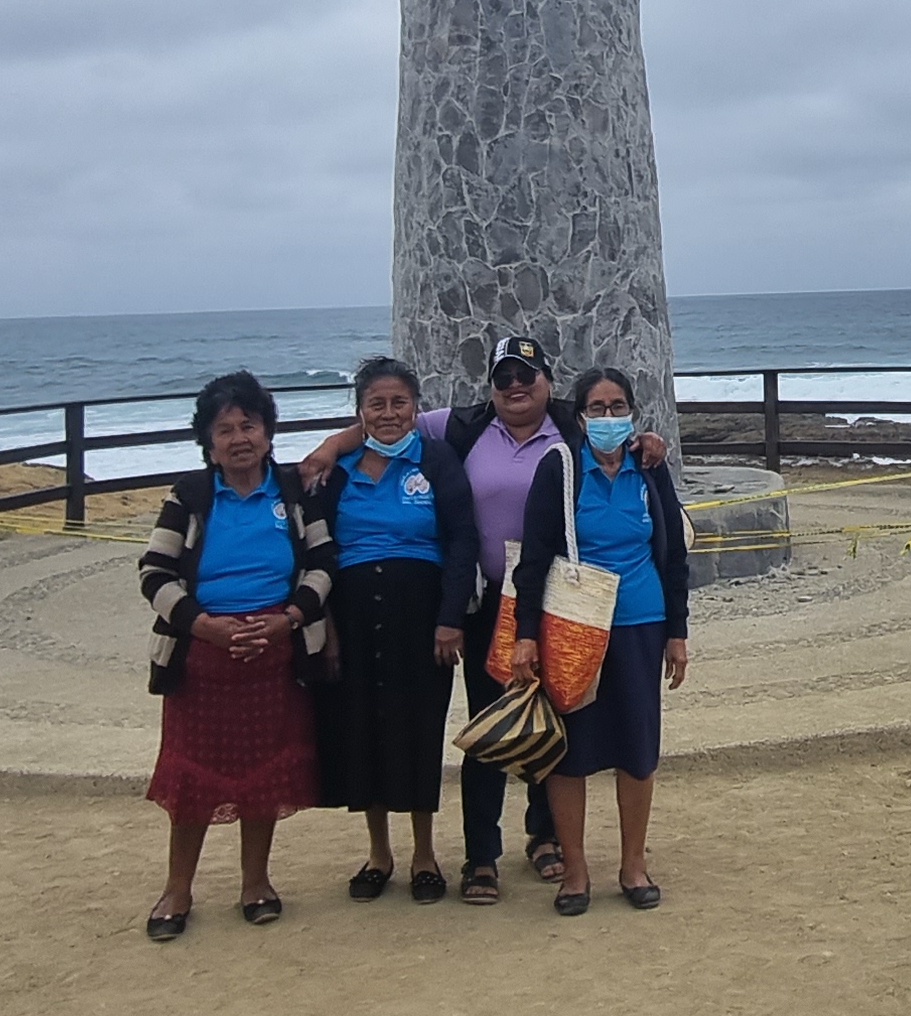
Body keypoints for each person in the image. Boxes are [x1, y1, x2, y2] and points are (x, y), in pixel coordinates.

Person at [294, 333, 665, 905]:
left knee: (551, 721)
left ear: (547, 380)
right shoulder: (461, 426)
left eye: (526, 375)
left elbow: (619, 438)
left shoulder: (572, 427)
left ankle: (544, 836)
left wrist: (649, 442)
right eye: (503, 377)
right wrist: (327, 447)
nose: (516, 386)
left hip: (556, 601)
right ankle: (481, 855)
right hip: (489, 599)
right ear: (490, 386)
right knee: (490, 724)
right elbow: (386, 421)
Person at [138, 371, 336, 942]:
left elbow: (324, 564)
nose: (239, 438)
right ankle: (178, 889)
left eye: (248, 425)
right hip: (201, 662)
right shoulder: (190, 496)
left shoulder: (294, 493)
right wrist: (205, 627)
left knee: (264, 774)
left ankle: (256, 883)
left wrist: (288, 619)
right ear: (208, 443)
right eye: (224, 429)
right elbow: (153, 573)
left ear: (268, 433)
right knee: (192, 780)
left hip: (276, 657)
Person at [509, 367, 691, 916]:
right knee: (570, 752)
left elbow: (674, 555)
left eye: (618, 407)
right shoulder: (560, 468)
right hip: (574, 628)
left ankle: (633, 865)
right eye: (597, 407)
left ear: (632, 412)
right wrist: (525, 636)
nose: (608, 417)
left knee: (638, 748)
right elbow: (534, 557)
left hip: (641, 622)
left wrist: (677, 633)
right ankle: (576, 870)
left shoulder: (649, 467)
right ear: (580, 415)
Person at [304, 356, 463, 905]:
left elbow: (462, 539)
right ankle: (379, 854)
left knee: (419, 728)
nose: (389, 413)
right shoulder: (337, 469)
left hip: (421, 619)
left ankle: (424, 855)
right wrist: (325, 625)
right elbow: (314, 547)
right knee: (362, 729)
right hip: (352, 615)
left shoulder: (437, 460)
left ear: (416, 408)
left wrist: (450, 618)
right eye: (377, 403)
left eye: (400, 402)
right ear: (360, 411)